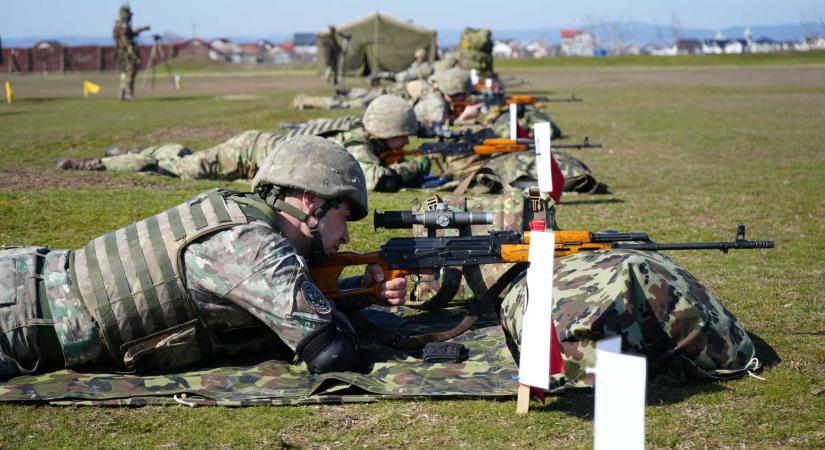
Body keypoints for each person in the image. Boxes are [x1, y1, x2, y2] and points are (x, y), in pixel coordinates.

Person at [0, 136, 409, 381]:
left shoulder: (238, 215)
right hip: (20, 316)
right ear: (311, 201)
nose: (349, 233)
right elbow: (334, 356)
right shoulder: (254, 247)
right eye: (344, 213)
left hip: (27, 280)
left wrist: (362, 292)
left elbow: (274, 302)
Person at [55, 96, 429, 192]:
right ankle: (101, 164)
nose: (406, 141)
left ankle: (125, 156)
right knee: (183, 168)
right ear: (385, 131)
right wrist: (419, 167)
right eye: (402, 135)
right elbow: (380, 181)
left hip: (266, 154)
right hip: (253, 152)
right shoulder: (359, 146)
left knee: (185, 159)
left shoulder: (362, 137)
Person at [113, 5, 150, 101]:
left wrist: (140, 30)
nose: (130, 17)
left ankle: (122, 93)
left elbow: (126, 35)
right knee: (130, 71)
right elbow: (125, 38)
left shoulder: (118, 24)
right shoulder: (123, 24)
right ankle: (128, 93)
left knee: (125, 72)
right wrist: (130, 48)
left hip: (122, 52)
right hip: (127, 52)